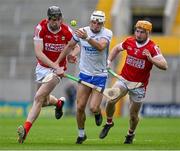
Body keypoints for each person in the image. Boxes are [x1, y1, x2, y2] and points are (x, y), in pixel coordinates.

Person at [99, 20, 168, 144]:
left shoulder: (153, 48)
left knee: (133, 115)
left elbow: (164, 65)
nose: (138, 34)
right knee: (110, 100)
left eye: (142, 32)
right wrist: (109, 61)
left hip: (139, 86)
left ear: (148, 33)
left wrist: (151, 59)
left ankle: (130, 133)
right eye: (137, 31)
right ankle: (109, 122)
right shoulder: (129, 41)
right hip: (124, 79)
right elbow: (116, 48)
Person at [17, 6, 77, 144]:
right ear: (48, 19)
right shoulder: (40, 28)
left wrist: (72, 55)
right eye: (54, 20)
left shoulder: (67, 30)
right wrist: (54, 65)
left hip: (57, 72)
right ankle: (59, 103)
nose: (56, 22)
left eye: (59, 19)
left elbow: (76, 46)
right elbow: (39, 53)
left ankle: (25, 130)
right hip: (43, 67)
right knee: (43, 101)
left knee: (38, 97)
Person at [56, 10, 113, 144]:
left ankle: (98, 113)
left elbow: (100, 47)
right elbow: (70, 45)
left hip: (100, 74)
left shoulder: (107, 33)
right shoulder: (82, 31)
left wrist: (86, 37)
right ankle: (81, 134)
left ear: (102, 24)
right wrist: (62, 60)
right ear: (90, 21)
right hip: (85, 74)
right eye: (93, 22)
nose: (96, 25)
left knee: (93, 108)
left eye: (99, 23)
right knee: (80, 107)